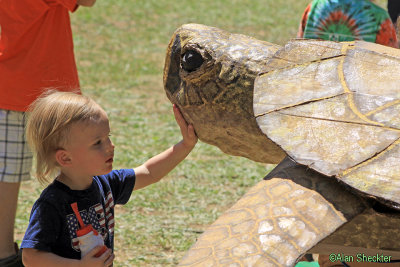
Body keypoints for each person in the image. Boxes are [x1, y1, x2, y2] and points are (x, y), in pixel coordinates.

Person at [20, 91, 197, 266]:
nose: (111, 146)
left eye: (108, 137)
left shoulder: (104, 183)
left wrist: (185, 145)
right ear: (65, 158)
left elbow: (149, 172)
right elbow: (31, 257)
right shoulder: (52, 203)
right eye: (97, 143)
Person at [0, 1, 96, 266]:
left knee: (4, 177)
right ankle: (77, 248)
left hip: (6, 86)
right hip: (50, 90)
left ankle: (4, 256)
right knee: (73, 170)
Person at [297, 0, 399, 48]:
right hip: (358, 89)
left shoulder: (314, 7)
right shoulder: (379, 17)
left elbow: (298, 48)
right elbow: (390, 62)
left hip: (317, 86)